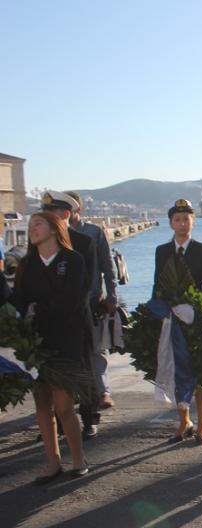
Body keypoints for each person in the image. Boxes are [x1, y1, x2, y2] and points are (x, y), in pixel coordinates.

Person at [13, 211, 90, 483]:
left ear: (55, 229)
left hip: (64, 341)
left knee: (64, 406)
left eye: (38, 224)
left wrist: (38, 309)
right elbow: (19, 300)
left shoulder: (73, 260)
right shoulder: (27, 264)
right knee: (42, 405)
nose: (32, 229)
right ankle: (53, 462)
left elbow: (72, 300)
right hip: (36, 342)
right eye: (30, 225)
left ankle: (78, 459)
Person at [152, 199, 202, 444]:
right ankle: (184, 421)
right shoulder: (162, 251)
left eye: (186, 219)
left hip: (195, 321)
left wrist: (197, 309)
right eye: (177, 219)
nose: (182, 223)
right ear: (171, 223)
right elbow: (157, 285)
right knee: (175, 369)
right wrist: (157, 312)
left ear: (193, 221)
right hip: (170, 319)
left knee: (201, 370)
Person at [41, 191, 99, 440]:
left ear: (65, 214)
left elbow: (87, 285)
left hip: (76, 318)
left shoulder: (83, 243)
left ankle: (89, 417)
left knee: (84, 368)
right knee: (51, 369)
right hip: (48, 319)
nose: (45, 216)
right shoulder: (40, 242)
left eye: (50, 212)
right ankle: (60, 421)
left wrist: (63, 309)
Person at [66, 190, 119, 410]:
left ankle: (103, 391)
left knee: (97, 348)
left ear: (78, 209)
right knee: (72, 349)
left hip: (93, 299)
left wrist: (112, 295)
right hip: (67, 303)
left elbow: (107, 265)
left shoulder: (94, 232)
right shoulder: (57, 233)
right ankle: (75, 392)